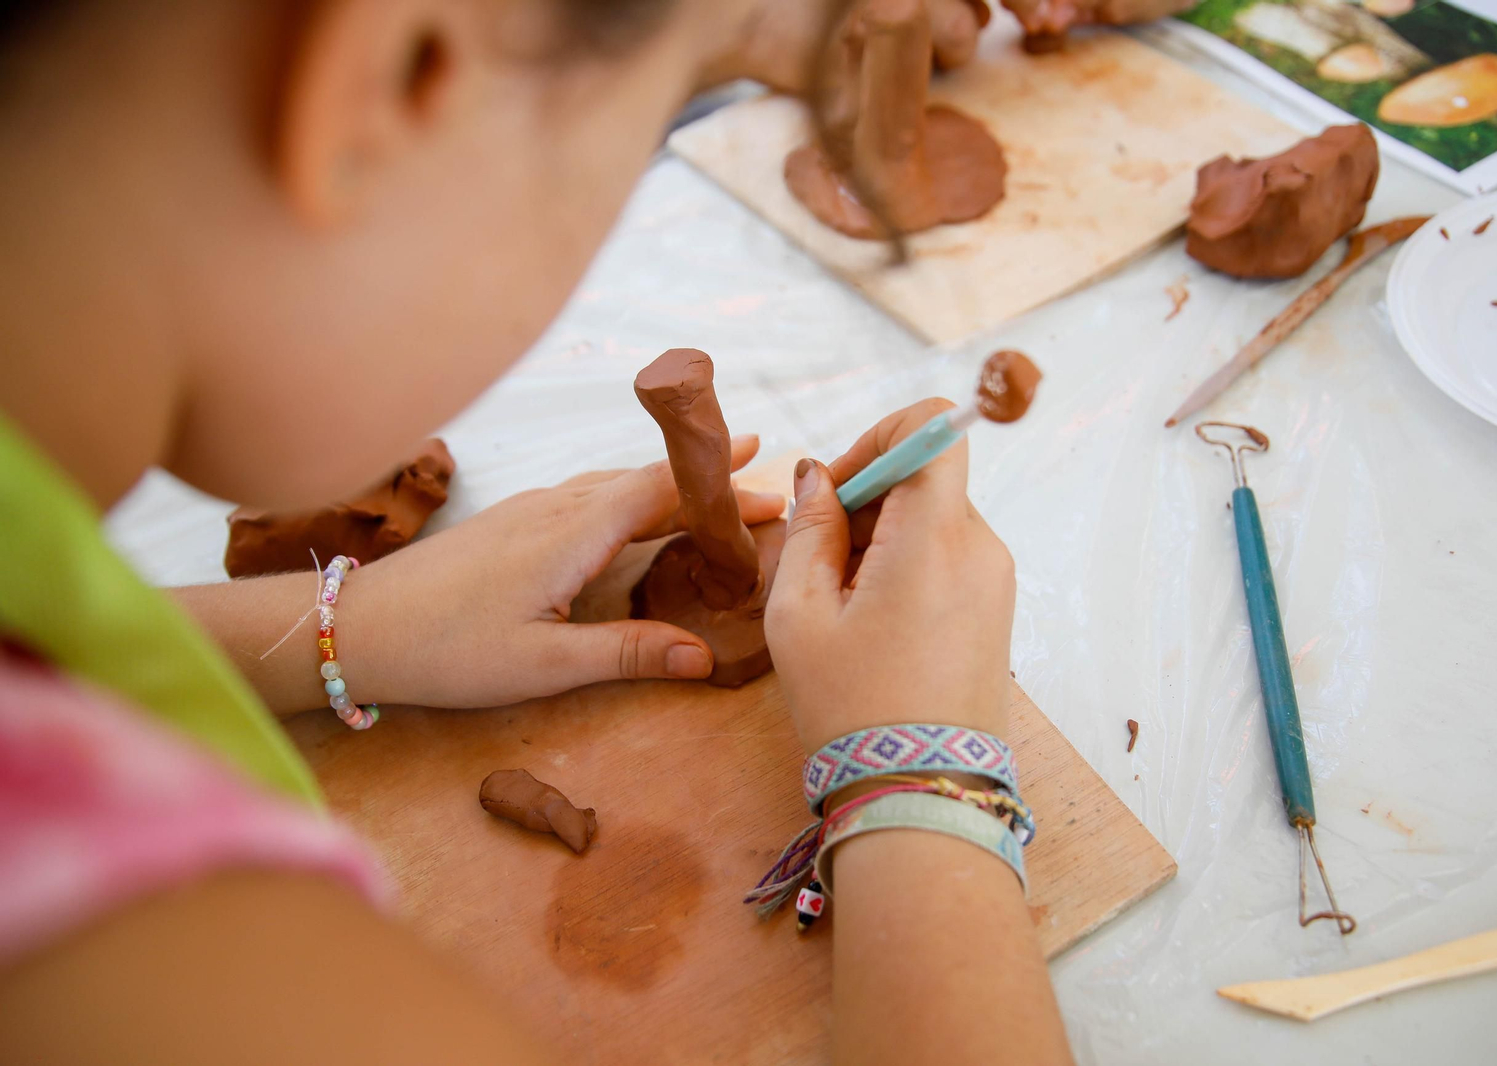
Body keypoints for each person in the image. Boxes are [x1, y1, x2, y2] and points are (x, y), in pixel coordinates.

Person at [0, 1, 1074, 1062]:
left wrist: (342, 622)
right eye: (659, 117)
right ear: (397, 80)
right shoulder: (143, 963)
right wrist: (919, 771)